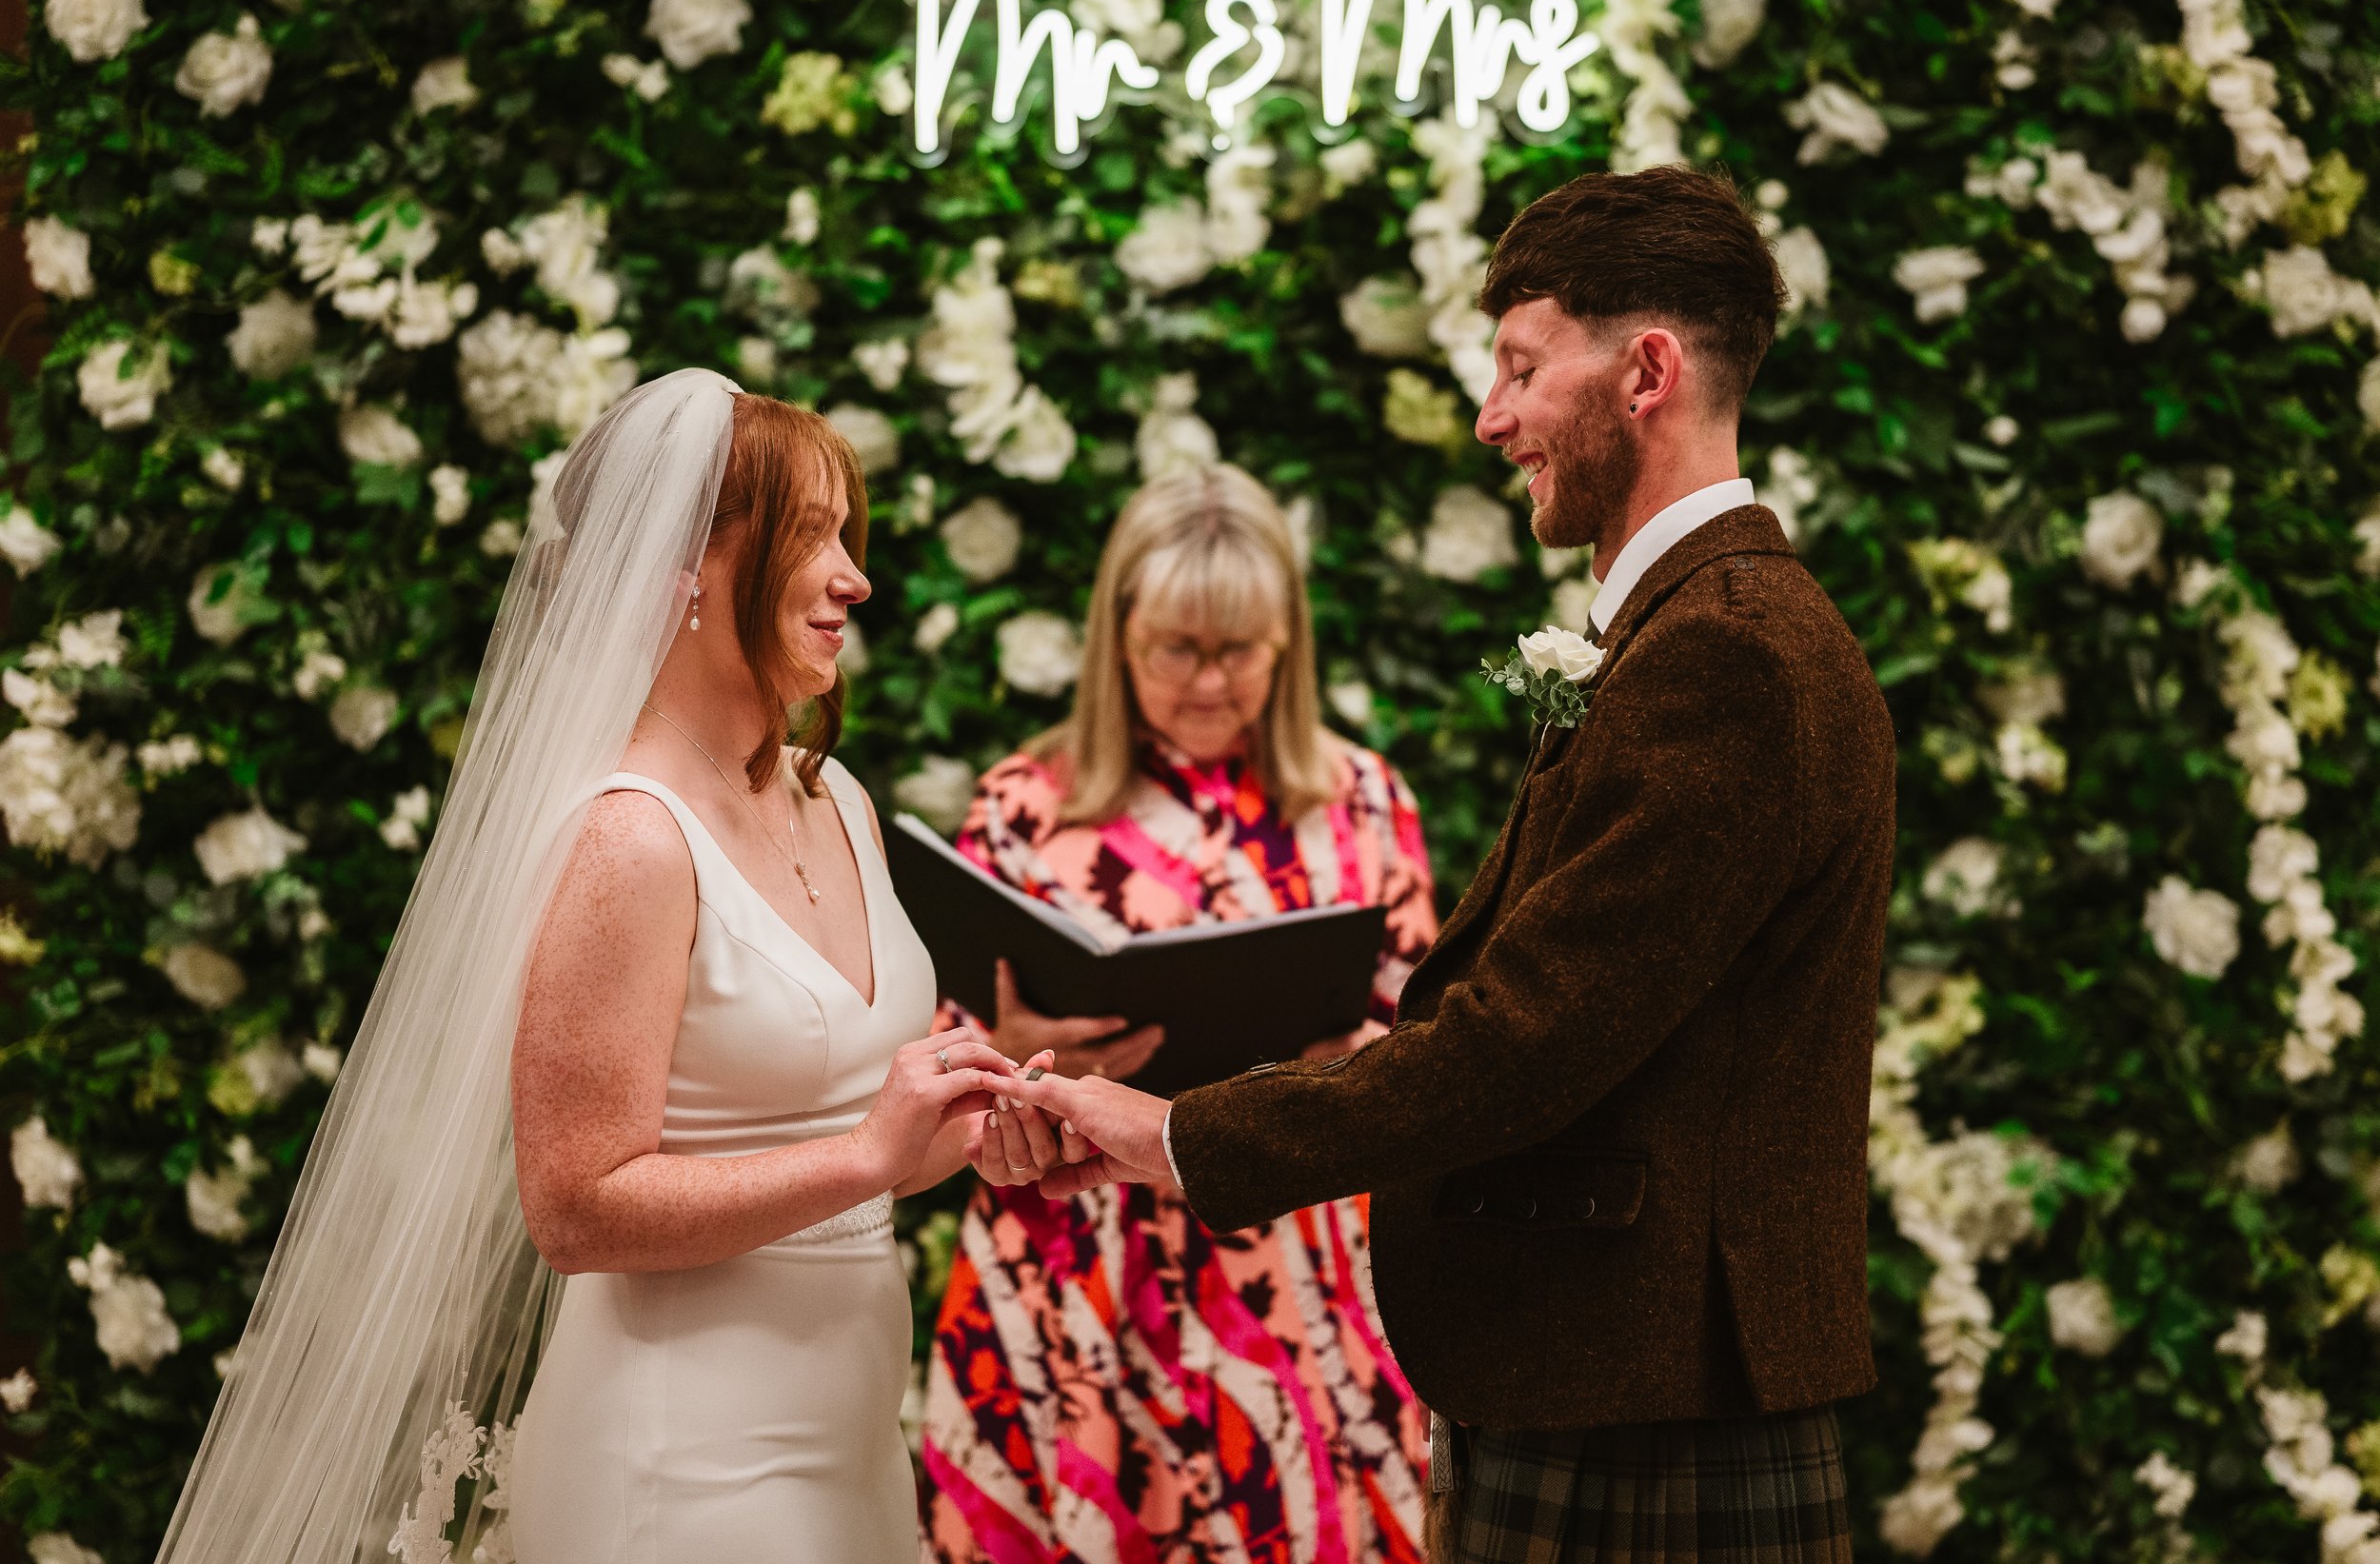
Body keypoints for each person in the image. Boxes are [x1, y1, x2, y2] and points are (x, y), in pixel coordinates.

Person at [982, 167, 1898, 1564]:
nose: (1494, 415)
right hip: (1616, 1368)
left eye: (1523, 366)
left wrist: (1177, 1133)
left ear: (1646, 370)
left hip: (1644, 1391)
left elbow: (1525, 1037)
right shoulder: (1697, 627)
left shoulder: (1728, 651)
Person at [152, 373, 1033, 1564]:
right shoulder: (629, 836)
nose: (854, 578)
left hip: (854, 1433)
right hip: (682, 1453)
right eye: (812, 537)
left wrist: (977, 1122)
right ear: (691, 574)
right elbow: (574, 1206)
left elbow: (834, 1139)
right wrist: (869, 1153)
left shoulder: (839, 801)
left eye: (845, 535)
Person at [918, 464, 1442, 1562]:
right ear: (1119, 635)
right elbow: (934, 1065)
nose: (1209, 683)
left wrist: (1345, 1058)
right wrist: (1002, 1058)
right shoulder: (1024, 804)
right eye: (1176, 649)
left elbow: (1427, 1057)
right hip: (1071, 1273)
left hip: (1293, 1275)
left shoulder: (1362, 802)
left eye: (1238, 650)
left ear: (1285, 643)